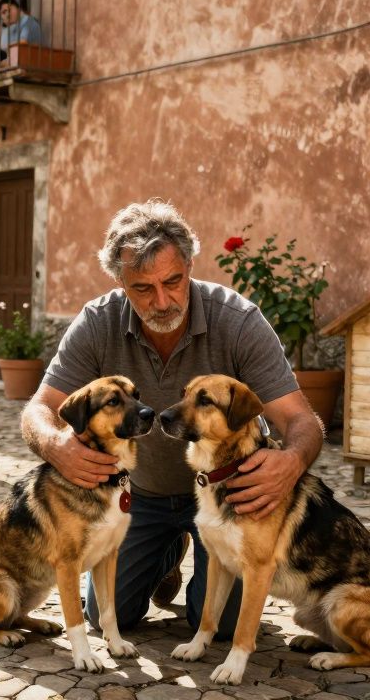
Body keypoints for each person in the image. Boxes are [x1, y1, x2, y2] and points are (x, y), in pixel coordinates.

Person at [19, 200, 324, 636]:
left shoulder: (238, 321)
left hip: (227, 496)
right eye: (143, 288)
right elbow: (39, 408)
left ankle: (195, 554)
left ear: (190, 265)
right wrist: (55, 445)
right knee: (108, 615)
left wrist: (291, 463)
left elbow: (301, 421)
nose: (161, 301)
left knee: (218, 624)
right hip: (139, 494)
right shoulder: (97, 322)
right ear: (120, 282)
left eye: (173, 281)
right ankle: (169, 550)